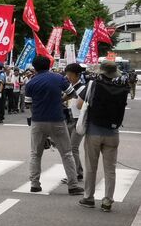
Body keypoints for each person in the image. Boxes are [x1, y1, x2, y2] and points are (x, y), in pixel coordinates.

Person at [24, 56, 83, 195]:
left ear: (34, 67)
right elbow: (72, 94)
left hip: (38, 121)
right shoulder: (59, 78)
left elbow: (28, 104)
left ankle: (35, 184)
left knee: (35, 154)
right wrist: (60, 100)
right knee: (67, 153)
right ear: (49, 65)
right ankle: (73, 185)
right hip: (57, 120)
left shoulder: (31, 82)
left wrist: (37, 112)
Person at [78, 60, 130, 212]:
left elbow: (79, 105)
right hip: (113, 133)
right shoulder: (122, 87)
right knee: (110, 169)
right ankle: (107, 201)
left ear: (101, 71)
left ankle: (88, 198)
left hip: (94, 131)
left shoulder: (92, 85)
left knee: (91, 167)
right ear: (114, 73)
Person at [62, 63, 87, 182]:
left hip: (79, 120)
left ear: (77, 75)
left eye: (70, 75)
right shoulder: (70, 87)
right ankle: (78, 172)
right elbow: (63, 99)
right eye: (67, 75)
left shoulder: (83, 88)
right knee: (71, 148)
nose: (68, 77)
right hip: (70, 119)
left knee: (73, 148)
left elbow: (80, 105)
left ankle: (75, 174)